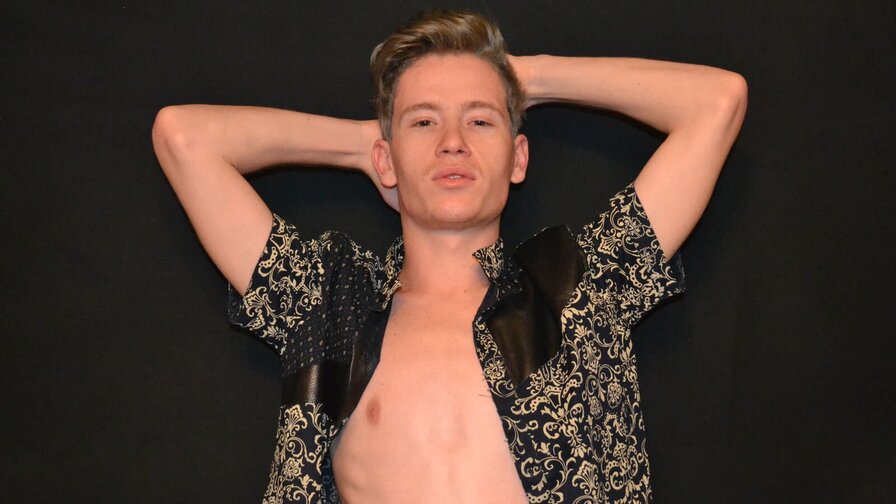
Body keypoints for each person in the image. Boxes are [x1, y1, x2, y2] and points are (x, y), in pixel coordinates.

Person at [152, 10, 746, 504]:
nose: (453, 142)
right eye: (425, 122)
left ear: (518, 157)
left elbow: (717, 102)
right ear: (386, 159)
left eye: (479, 120)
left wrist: (525, 78)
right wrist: (365, 146)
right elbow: (185, 138)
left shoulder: (581, 287)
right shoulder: (328, 302)